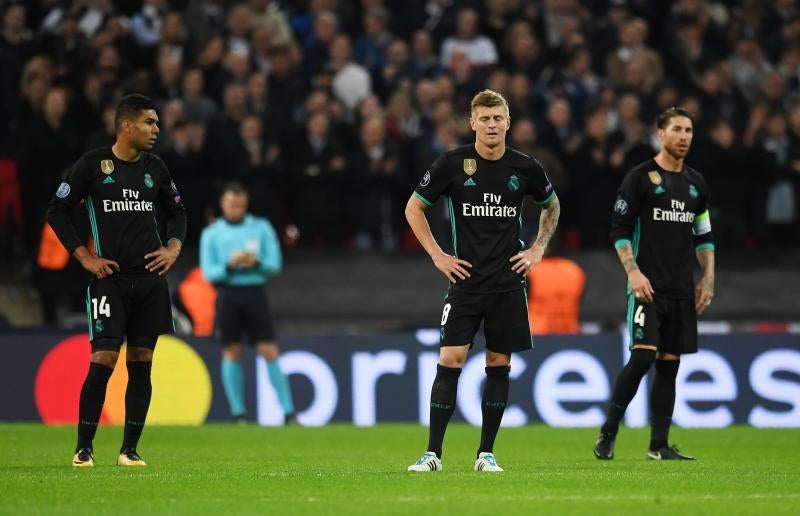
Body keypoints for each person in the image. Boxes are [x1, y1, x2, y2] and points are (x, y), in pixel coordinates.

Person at [405, 90, 560, 472]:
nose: (492, 125)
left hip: (508, 283)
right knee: (450, 360)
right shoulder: (452, 164)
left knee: (498, 363)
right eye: (485, 119)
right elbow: (414, 208)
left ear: (508, 123)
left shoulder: (525, 167)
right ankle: (432, 454)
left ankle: (486, 454)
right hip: (466, 283)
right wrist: (438, 255)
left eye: (498, 118)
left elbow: (551, 205)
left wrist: (538, 248)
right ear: (472, 123)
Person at [46, 94, 187, 467]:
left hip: (151, 280)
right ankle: (84, 448)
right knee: (104, 357)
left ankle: (129, 450)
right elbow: (57, 211)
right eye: (149, 122)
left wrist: (173, 248)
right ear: (127, 125)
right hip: (110, 278)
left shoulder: (156, 168)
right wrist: (84, 258)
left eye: (156, 123)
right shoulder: (92, 165)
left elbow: (178, 212)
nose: (157, 129)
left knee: (142, 361)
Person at [594, 107, 715, 461]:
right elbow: (618, 230)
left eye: (689, 130)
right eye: (676, 129)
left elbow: (704, 237)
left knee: (669, 364)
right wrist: (632, 272)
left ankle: (658, 445)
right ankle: (609, 431)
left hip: (681, 288)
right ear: (660, 134)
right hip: (647, 287)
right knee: (643, 357)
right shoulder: (640, 178)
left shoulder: (696, 184)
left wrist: (707, 278)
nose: (683, 136)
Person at [199, 183, 296, 424]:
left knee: (269, 350)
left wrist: (257, 263)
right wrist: (229, 266)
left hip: (255, 292)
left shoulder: (260, 227)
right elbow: (209, 274)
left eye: (241, 205)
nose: (237, 210)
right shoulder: (212, 233)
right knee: (231, 351)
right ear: (223, 204)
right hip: (228, 293)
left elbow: (274, 264)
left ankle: (289, 412)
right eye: (232, 205)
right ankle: (238, 414)